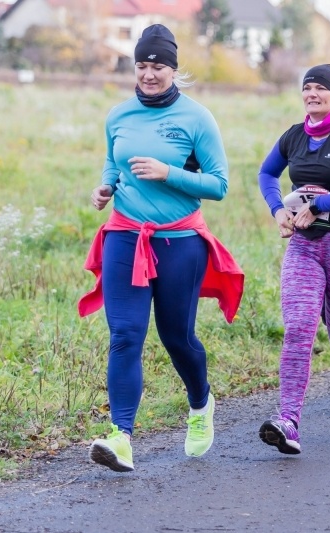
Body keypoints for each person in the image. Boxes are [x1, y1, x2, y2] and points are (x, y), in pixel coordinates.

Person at [78, 24, 243, 472]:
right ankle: (121, 437)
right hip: (125, 236)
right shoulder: (118, 115)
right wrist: (106, 186)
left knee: (176, 337)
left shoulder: (197, 118)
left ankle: (200, 403)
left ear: (174, 69)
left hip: (180, 242)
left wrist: (168, 172)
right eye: (143, 66)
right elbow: (114, 159)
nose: (149, 74)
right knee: (125, 335)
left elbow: (220, 185)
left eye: (159, 67)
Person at [257, 64, 330, 454]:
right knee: (298, 327)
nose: (312, 94)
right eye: (307, 87)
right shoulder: (294, 135)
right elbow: (266, 174)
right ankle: (289, 420)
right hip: (305, 246)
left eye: (320, 89)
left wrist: (319, 204)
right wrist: (278, 209)